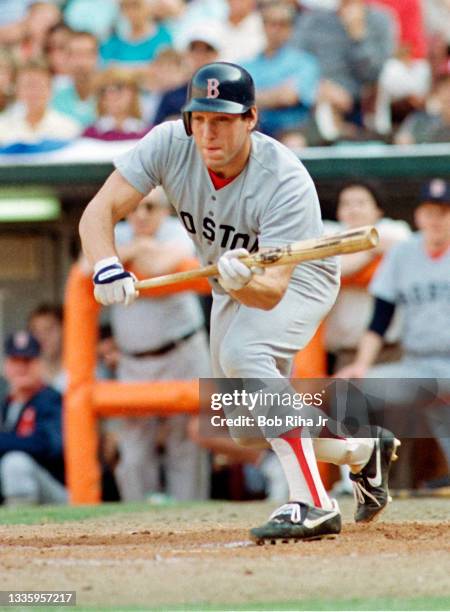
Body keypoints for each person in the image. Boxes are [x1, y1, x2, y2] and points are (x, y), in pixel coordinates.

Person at [79, 62, 399, 542]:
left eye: (223, 119)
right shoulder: (169, 143)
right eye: (200, 118)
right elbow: (99, 210)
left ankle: (313, 501)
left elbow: (270, 292)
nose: (209, 132)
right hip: (232, 279)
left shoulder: (284, 177)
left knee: (245, 352)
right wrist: (106, 264)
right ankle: (359, 449)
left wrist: (244, 279)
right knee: (245, 425)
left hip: (300, 276)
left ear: (250, 119)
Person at [336, 178, 450, 488]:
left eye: (444, 211)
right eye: (430, 212)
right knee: (349, 388)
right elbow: (380, 319)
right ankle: (357, 482)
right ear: (419, 216)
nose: (436, 220)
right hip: (417, 367)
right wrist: (362, 364)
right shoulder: (403, 254)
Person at [108, 187, 211, 501]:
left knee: (187, 441)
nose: (141, 214)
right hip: (133, 361)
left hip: (182, 351)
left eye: (150, 207)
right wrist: (138, 246)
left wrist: (126, 255)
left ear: (164, 211)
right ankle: (135, 524)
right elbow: (86, 269)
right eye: (134, 207)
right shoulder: (115, 233)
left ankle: (192, 519)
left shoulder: (178, 231)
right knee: (134, 450)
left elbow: (158, 266)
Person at [0, 331, 66, 505]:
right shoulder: (6, 403)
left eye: (27, 361)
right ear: (6, 365)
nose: (21, 368)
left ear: (40, 364)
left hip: (58, 491)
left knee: (16, 463)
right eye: (16, 361)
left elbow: (48, 445)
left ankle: (18, 529)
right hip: (20, 486)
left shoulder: (51, 399)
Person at [242, 2, 320, 138]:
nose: (276, 29)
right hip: (254, 131)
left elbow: (290, 96)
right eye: (271, 23)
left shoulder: (304, 62)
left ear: (290, 28)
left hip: (291, 130)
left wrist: (255, 96)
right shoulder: (247, 64)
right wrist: (276, 95)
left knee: (295, 141)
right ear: (263, 26)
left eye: (282, 24)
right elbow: (239, 100)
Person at [0, 59, 81, 146]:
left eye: (39, 85)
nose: (33, 92)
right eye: (28, 85)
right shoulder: (3, 127)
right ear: (17, 90)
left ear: (50, 89)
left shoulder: (69, 129)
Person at [83, 67, 149, 141]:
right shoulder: (90, 134)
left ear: (133, 94)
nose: (110, 95)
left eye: (119, 88)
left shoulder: (147, 134)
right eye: (103, 90)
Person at [51, 30, 99, 128]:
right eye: (76, 55)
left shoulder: (111, 96)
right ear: (66, 59)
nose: (81, 62)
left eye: (87, 54)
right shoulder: (54, 97)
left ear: (96, 57)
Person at [28, 303, 66, 393]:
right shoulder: (24, 376)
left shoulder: (81, 372)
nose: (42, 337)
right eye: (35, 331)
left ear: (65, 330)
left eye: (49, 329)